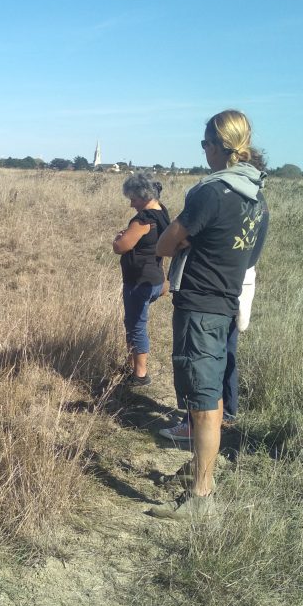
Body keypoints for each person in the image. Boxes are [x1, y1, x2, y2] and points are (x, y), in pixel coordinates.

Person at [148, 110, 268, 520]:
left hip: (199, 305)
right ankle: (202, 470)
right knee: (212, 395)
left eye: (205, 144)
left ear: (219, 145)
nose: (204, 152)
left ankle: (201, 496)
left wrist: (186, 248)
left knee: (200, 402)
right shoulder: (257, 195)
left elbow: (165, 244)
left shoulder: (210, 192)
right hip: (227, 303)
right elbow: (250, 255)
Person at [159, 209, 269, 439]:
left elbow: (172, 242)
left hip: (211, 288)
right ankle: (225, 412)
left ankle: (194, 422)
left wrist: (189, 242)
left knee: (202, 360)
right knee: (224, 351)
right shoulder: (258, 203)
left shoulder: (220, 197)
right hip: (237, 281)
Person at [112, 173, 171, 386]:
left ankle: (140, 375)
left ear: (144, 196)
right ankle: (131, 364)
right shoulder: (161, 212)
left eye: (133, 199)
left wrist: (118, 238)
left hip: (139, 282)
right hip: (155, 279)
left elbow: (121, 247)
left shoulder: (143, 219)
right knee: (133, 322)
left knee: (136, 325)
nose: (131, 204)